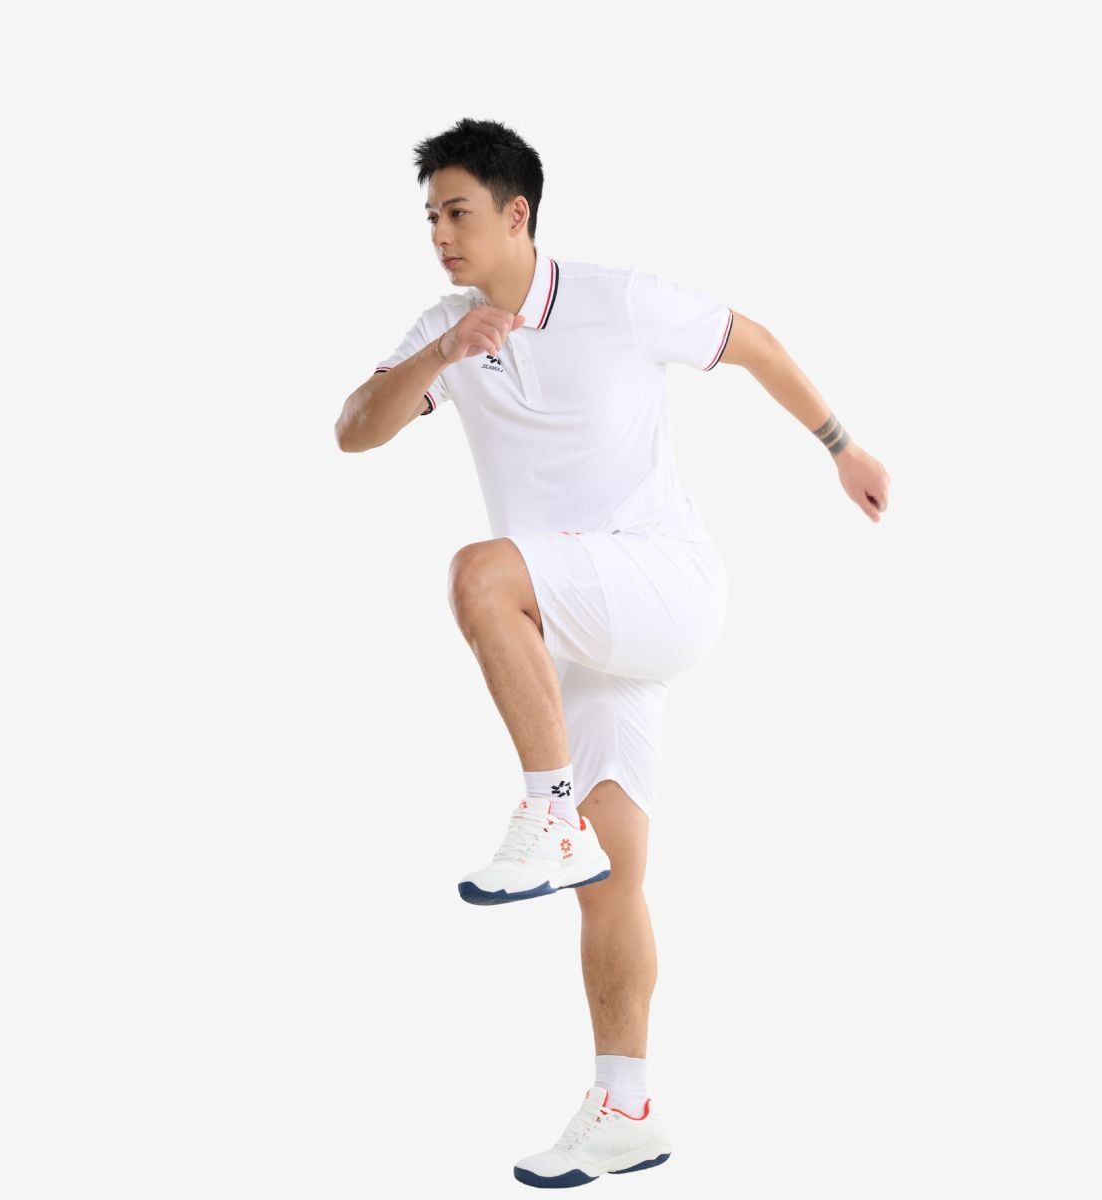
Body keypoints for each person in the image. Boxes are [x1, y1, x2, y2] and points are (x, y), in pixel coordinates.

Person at [334, 117, 891, 1188]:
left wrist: (842, 447)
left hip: (660, 581)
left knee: (478, 575)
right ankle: (626, 1104)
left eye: (458, 212)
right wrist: (442, 354)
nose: (440, 234)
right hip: (583, 640)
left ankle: (544, 807)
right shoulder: (446, 326)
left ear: (516, 213)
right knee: (611, 876)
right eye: (429, 216)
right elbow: (354, 428)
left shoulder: (616, 300)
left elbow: (753, 342)